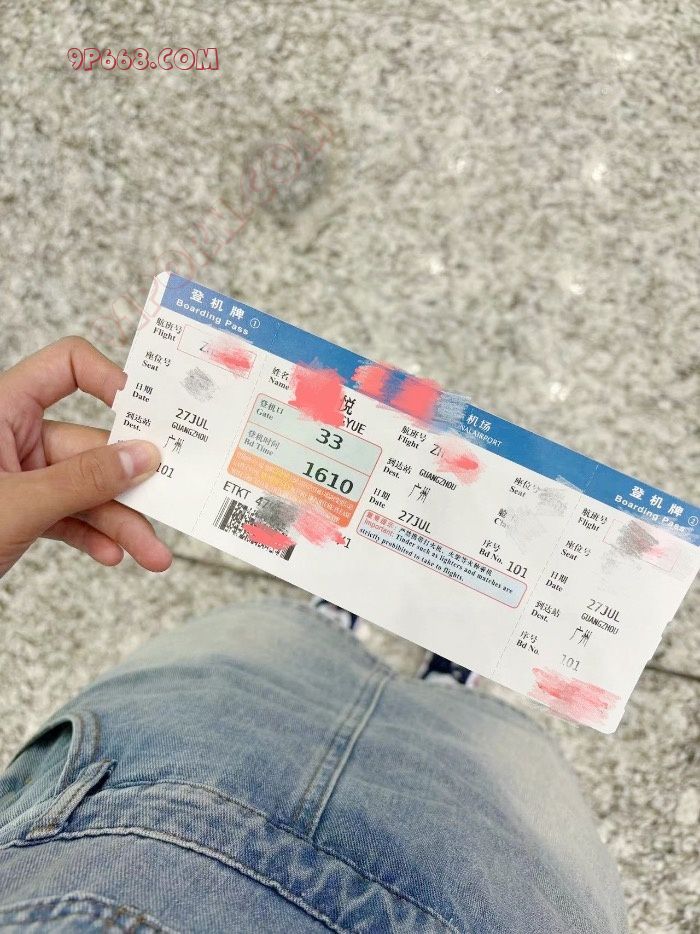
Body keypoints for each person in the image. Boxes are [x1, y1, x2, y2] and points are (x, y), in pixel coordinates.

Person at [0, 338, 628, 932]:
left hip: (128, 825)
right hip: (471, 888)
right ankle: (444, 671)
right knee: (471, 738)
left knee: (279, 639)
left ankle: (336, 613)